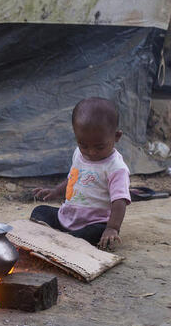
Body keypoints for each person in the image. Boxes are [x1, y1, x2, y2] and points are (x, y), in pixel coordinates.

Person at [31, 97, 130, 250]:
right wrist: (56, 191)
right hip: (67, 216)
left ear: (116, 136)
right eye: (83, 145)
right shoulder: (78, 154)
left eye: (99, 147)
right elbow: (74, 178)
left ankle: (66, 239)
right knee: (39, 211)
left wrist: (112, 228)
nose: (91, 152)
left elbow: (119, 202)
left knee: (94, 232)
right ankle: (65, 237)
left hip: (95, 222)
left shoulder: (116, 168)